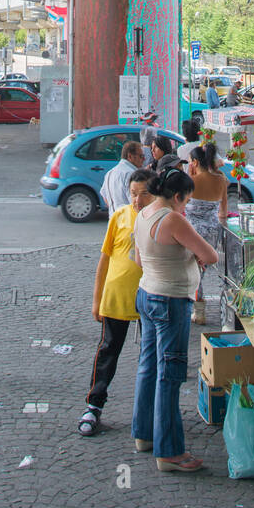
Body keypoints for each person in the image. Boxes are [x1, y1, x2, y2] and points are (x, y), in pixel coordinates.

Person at [131, 167, 219, 471]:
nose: (186, 206)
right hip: (170, 301)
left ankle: (144, 435)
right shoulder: (173, 219)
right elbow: (210, 255)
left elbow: (139, 259)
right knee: (169, 374)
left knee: (148, 367)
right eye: (187, 200)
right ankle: (169, 452)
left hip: (146, 294)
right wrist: (189, 257)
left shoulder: (143, 214)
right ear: (178, 196)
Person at [78, 169, 154, 436]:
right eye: (133, 194)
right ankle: (94, 405)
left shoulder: (161, 218)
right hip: (117, 295)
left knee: (150, 355)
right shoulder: (120, 216)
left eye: (144, 193)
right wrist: (96, 299)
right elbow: (105, 259)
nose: (137, 200)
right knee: (109, 350)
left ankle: (150, 411)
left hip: (151, 297)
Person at [183, 142, 228, 325]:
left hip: (193, 233)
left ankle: (198, 310)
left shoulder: (191, 182)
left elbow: (180, 205)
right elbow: (223, 211)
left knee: (193, 271)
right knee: (202, 271)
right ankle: (199, 310)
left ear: (194, 162)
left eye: (189, 162)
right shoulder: (221, 180)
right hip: (212, 232)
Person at [100, 140, 146, 213]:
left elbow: (104, 195)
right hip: (129, 219)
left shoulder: (110, 172)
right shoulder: (131, 174)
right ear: (130, 156)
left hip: (114, 218)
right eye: (141, 156)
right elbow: (136, 203)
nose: (144, 159)